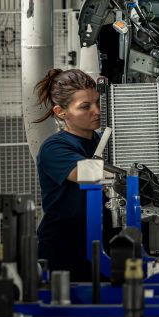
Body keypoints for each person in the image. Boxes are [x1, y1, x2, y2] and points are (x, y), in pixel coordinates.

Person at [33, 68, 101, 280]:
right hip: (63, 250)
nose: (97, 111)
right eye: (85, 107)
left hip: (100, 245)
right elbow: (89, 174)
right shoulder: (55, 147)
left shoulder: (102, 141)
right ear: (61, 112)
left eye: (98, 102)